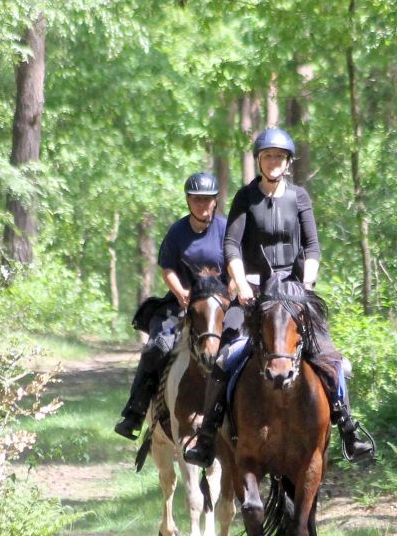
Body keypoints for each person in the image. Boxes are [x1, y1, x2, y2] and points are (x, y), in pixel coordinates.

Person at [183, 127, 376, 466]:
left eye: (279, 156)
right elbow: (231, 244)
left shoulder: (299, 197)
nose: (273, 162)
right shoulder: (246, 197)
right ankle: (208, 435)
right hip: (254, 293)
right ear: (259, 160)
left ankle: (347, 427)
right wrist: (240, 282)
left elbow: (312, 245)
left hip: (294, 292)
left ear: (287, 162)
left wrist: (308, 282)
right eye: (267, 156)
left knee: (332, 360)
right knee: (226, 357)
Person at [114, 172, 229, 439]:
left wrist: (230, 293)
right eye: (197, 199)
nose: (203, 205)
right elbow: (167, 268)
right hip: (183, 303)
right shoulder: (178, 232)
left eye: (208, 200)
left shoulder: (225, 229)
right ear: (188, 201)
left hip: (219, 306)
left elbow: (236, 264)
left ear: (215, 201)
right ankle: (136, 411)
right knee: (158, 346)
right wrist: (181, 292)